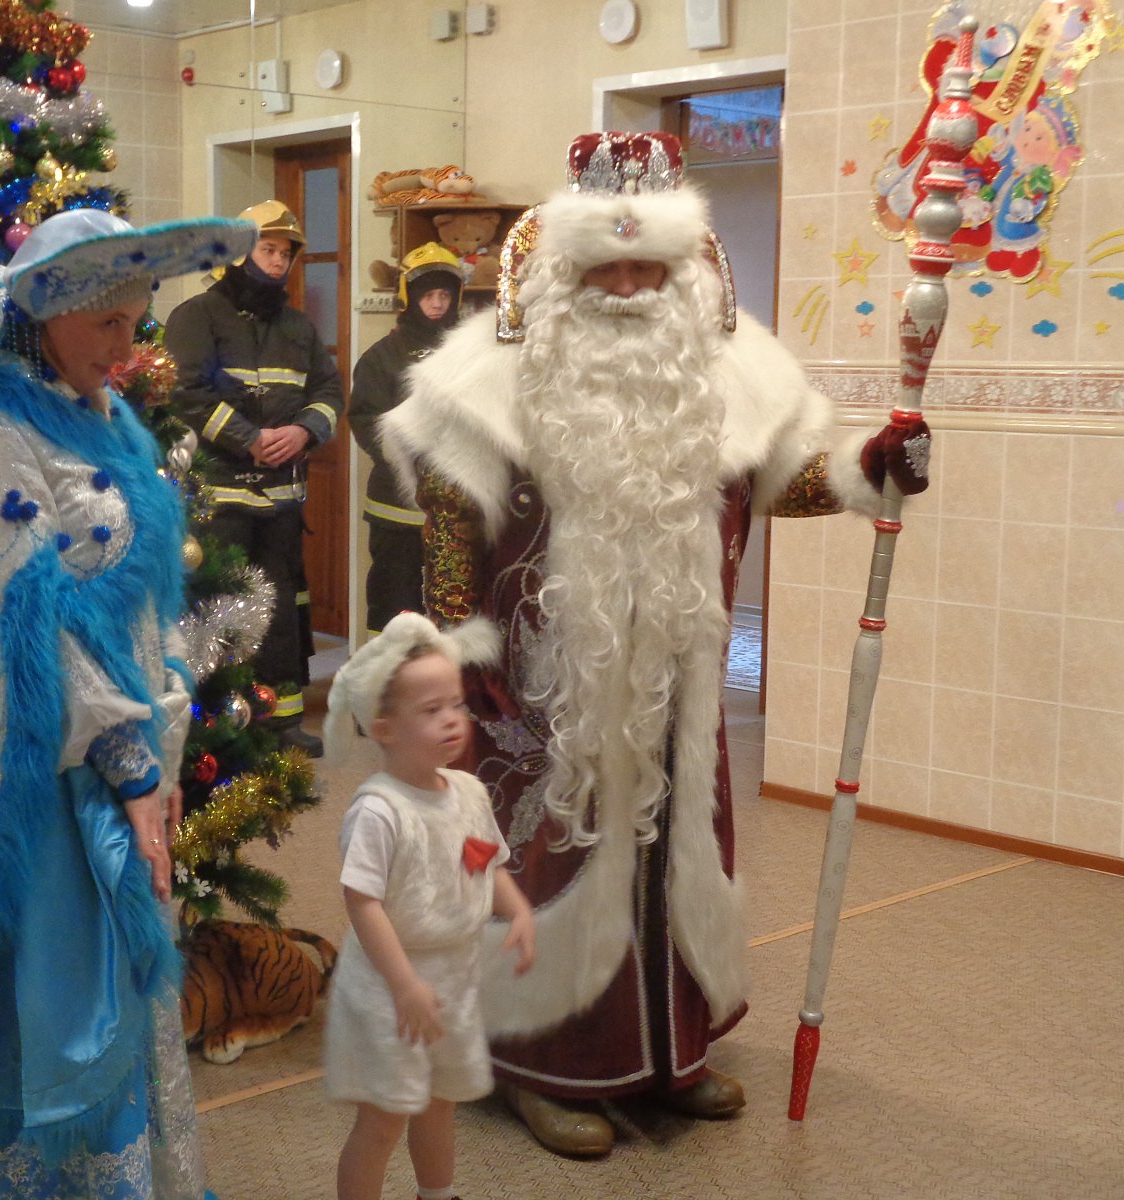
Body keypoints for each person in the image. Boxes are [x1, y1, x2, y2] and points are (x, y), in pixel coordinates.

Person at [382, 132, 931, 1157]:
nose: (630, 289)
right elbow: (451, 515)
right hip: (539, 684)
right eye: (608, 268)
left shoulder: (732, 370)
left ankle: (666, 1054)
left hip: (677, 678)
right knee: (548, 861)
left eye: (649, 268)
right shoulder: (484, 377)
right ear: (566, 271)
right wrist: (456, 646)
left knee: (675, 852)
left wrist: (870, 465)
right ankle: (536, 1062)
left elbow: (783, 480)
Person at [0, 206, 256, 1200]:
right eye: (107, 324)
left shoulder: (99, 411)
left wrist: (163, 728)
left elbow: (150, 584)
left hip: (126, 749)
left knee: (112, 981)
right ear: (45, 314)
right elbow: (27, 622)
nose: (127, 348)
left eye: (136, 321)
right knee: (44, 986)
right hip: (33, 765)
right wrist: (131, 767)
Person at [322, 612, 535, 1200]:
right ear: (385, 728)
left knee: (440, 1104)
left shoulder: (467, 792)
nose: (451, 719)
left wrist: (518, 910)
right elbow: (362, 902)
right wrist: (404, 985)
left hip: (451, 980)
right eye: (431, 709)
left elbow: (481, 860)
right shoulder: (379, 811)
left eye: (457, 704)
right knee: (384, 1120)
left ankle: (437, 1194)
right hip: (391, 990)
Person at [163, 199, 344, 757]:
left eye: (286, 253)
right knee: (221, 610)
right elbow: (187, 393)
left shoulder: (298, 327)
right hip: (221, 500)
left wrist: (305, 431)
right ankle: (220, 729)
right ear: (240, 253)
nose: (278, 262)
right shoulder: (196, 316)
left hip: (283, 501)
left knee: (282, 612)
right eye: (268, 250)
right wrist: (250, 438)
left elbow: (330, 392)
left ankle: (282, 723)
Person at [349, 244, 464, 634]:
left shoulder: (467, 354)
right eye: (428, 295)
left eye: (444, 295)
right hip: (396, 510)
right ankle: (387, 673)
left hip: (456, 510)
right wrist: (411, 457)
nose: (437, 304)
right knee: (393, 604)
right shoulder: (380, 358)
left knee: (453, 607)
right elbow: (365, 421)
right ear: (408, 297)